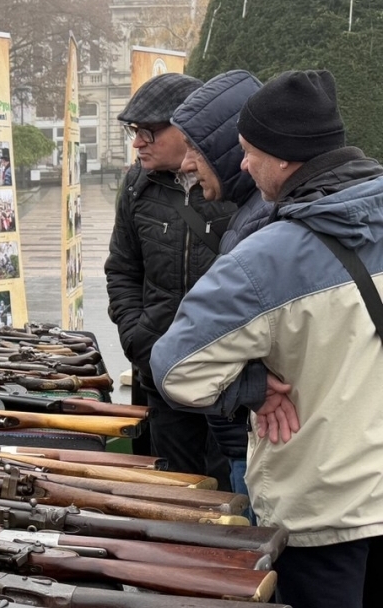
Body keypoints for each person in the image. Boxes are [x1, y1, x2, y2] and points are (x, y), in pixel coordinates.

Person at [151, 69, 383, 608]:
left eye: (248, 151)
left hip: (322, 518)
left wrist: (250, 388)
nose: (242, 165)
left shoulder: (264, 259)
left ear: (282, 157)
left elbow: (174, 369)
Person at [103, 72, 235, 487]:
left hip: (229, 378)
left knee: (230, 493)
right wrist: (138, 339)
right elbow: (122, 269)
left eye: (148, 131)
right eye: (133, 130)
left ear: (189, 128)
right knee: (177, 488)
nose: (137, 142)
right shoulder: (136, 185)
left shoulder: (239, 186)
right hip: (161, 370)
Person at [169, 69, 265, 509]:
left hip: (254, 443)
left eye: (195, 148)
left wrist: (248, 391)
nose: (186, 163)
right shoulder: (251, 216)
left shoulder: (260, 226)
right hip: (244, 439)